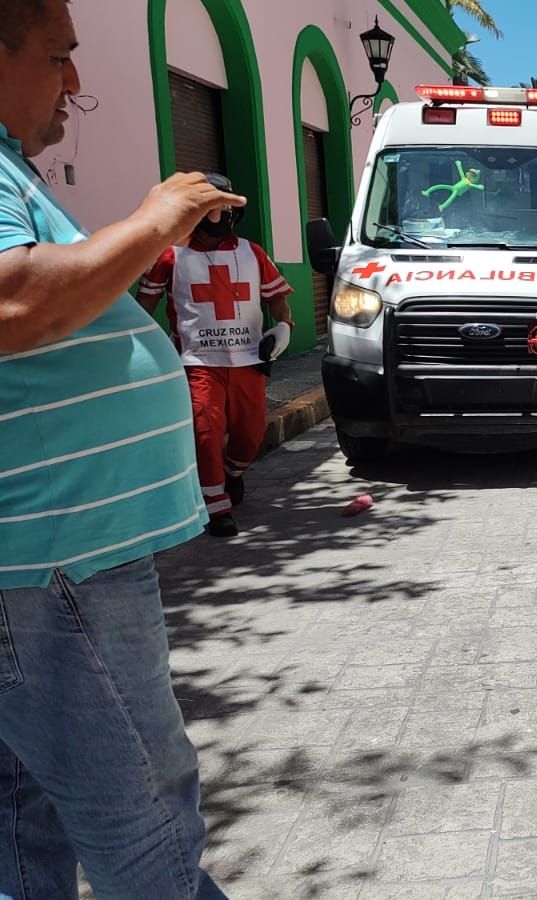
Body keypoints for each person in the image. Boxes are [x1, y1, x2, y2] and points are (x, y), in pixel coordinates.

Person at [0, 0, 244, 895]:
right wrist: (151, 223)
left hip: (37, 567)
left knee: (24, 827)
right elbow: (15, 304)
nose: (75, 81)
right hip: (53, 566)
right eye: (58, 55)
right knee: (144, 832)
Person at [137, 173, 294, 538]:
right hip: (198, 363)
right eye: (211, 207)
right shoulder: (170, 255)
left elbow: (276, 299)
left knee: (250, 435)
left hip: (248, 361)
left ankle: (231, 472)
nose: (219, 215)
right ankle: (216, 506)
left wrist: (283, 327)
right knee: (206, 434)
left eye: (225, 207)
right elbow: (144, 305)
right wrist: (149, 348)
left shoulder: (251, 253)